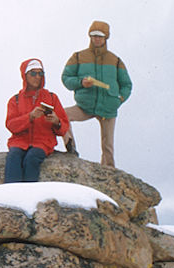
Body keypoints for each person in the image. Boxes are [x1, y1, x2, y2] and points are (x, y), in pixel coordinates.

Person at [61, 20, 132, 167]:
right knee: (61, 115)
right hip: (84, 106)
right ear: (90, 37)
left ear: (106, 38)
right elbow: (66, 78)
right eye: (93, 35)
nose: (96, 39)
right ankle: (71, 149)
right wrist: (81, 82)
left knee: (108, 148)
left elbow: (127, 85)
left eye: (100, 36)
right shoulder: (78, 57)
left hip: (108, 109)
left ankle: (109, 174)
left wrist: (119, 99)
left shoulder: (116, 61)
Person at [4, 58, 70, 183]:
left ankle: (29, 195)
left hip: (43, 142)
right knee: (13, 156)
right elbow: (10, 125)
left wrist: (57, 121)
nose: (37, 77)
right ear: (25, 76)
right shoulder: (15, 100)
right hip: (19, 141)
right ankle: (11, 194)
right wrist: (29, 117)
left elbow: (64, 126)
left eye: (41, 73)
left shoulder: (52, 97)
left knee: (32, 158)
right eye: (33, 73)